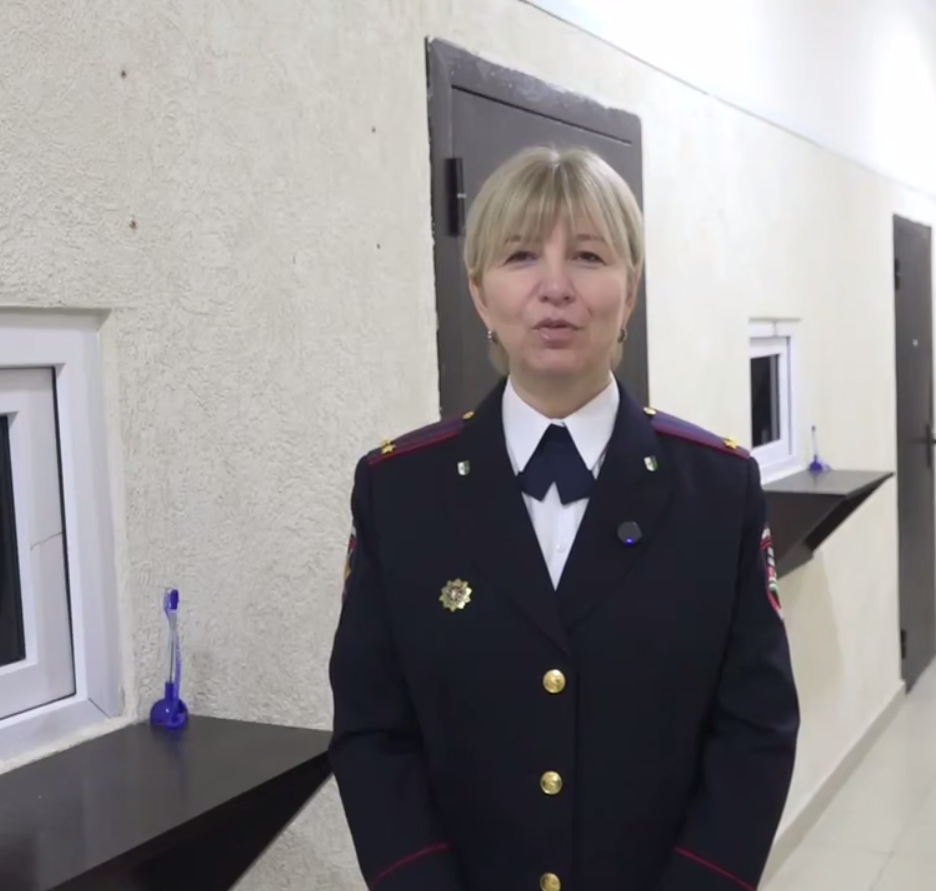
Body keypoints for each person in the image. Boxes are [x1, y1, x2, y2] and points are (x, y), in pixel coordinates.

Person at [329, 145, 799, 891]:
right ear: (480, 293)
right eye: (520, 256)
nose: (554, 287)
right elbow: (372, 731)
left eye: (587, 256)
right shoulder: (399, 491)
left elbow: (755, 730)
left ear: (629, 290)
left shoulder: (718, 490)